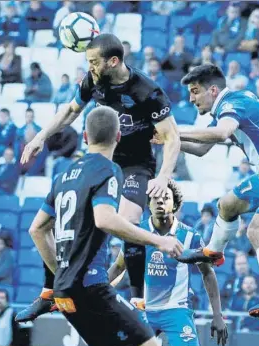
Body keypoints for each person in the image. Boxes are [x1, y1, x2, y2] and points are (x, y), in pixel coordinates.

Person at [17, 34, 181, 322]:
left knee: (128, 222)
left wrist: (164, 176)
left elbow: (172, 137)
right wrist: (41, 137)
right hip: (99, 159)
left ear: (113, 61)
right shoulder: (93, 81)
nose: (89, 67)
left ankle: (138, 302)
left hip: (135, 166)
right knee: (58, 221)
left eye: (93, 62)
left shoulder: (147, 91)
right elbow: (70, 111)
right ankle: (49, 293)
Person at [24, 106, 183, 346]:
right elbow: (105, 219)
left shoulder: (63, 175)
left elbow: (37, 229)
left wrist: (61, 271)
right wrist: (159, 240)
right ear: (118, 137)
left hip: (65, 291)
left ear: (85, 137)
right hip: (91, 286)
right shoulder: (108, 169)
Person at [164, 64, 259, 318]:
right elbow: (202, 149)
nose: (191, 98)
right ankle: (213, 251)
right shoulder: (231, 105)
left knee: (257, 230)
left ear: (213, 90)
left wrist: (175, 132)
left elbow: (221, 133)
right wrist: (169, 141)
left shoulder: (232, 105)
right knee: (227, 205)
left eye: (195, 91)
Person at [108, 179, 228, 346]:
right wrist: (91, 294)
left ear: (176, 204)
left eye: (165, 198)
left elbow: (208, 273)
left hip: (177, 309)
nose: (160, 202)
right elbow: (118, 267)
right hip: (142, 308)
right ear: (148, 203)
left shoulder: (190, 236)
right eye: (154, 198)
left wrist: (218, 315)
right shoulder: (137, 232)